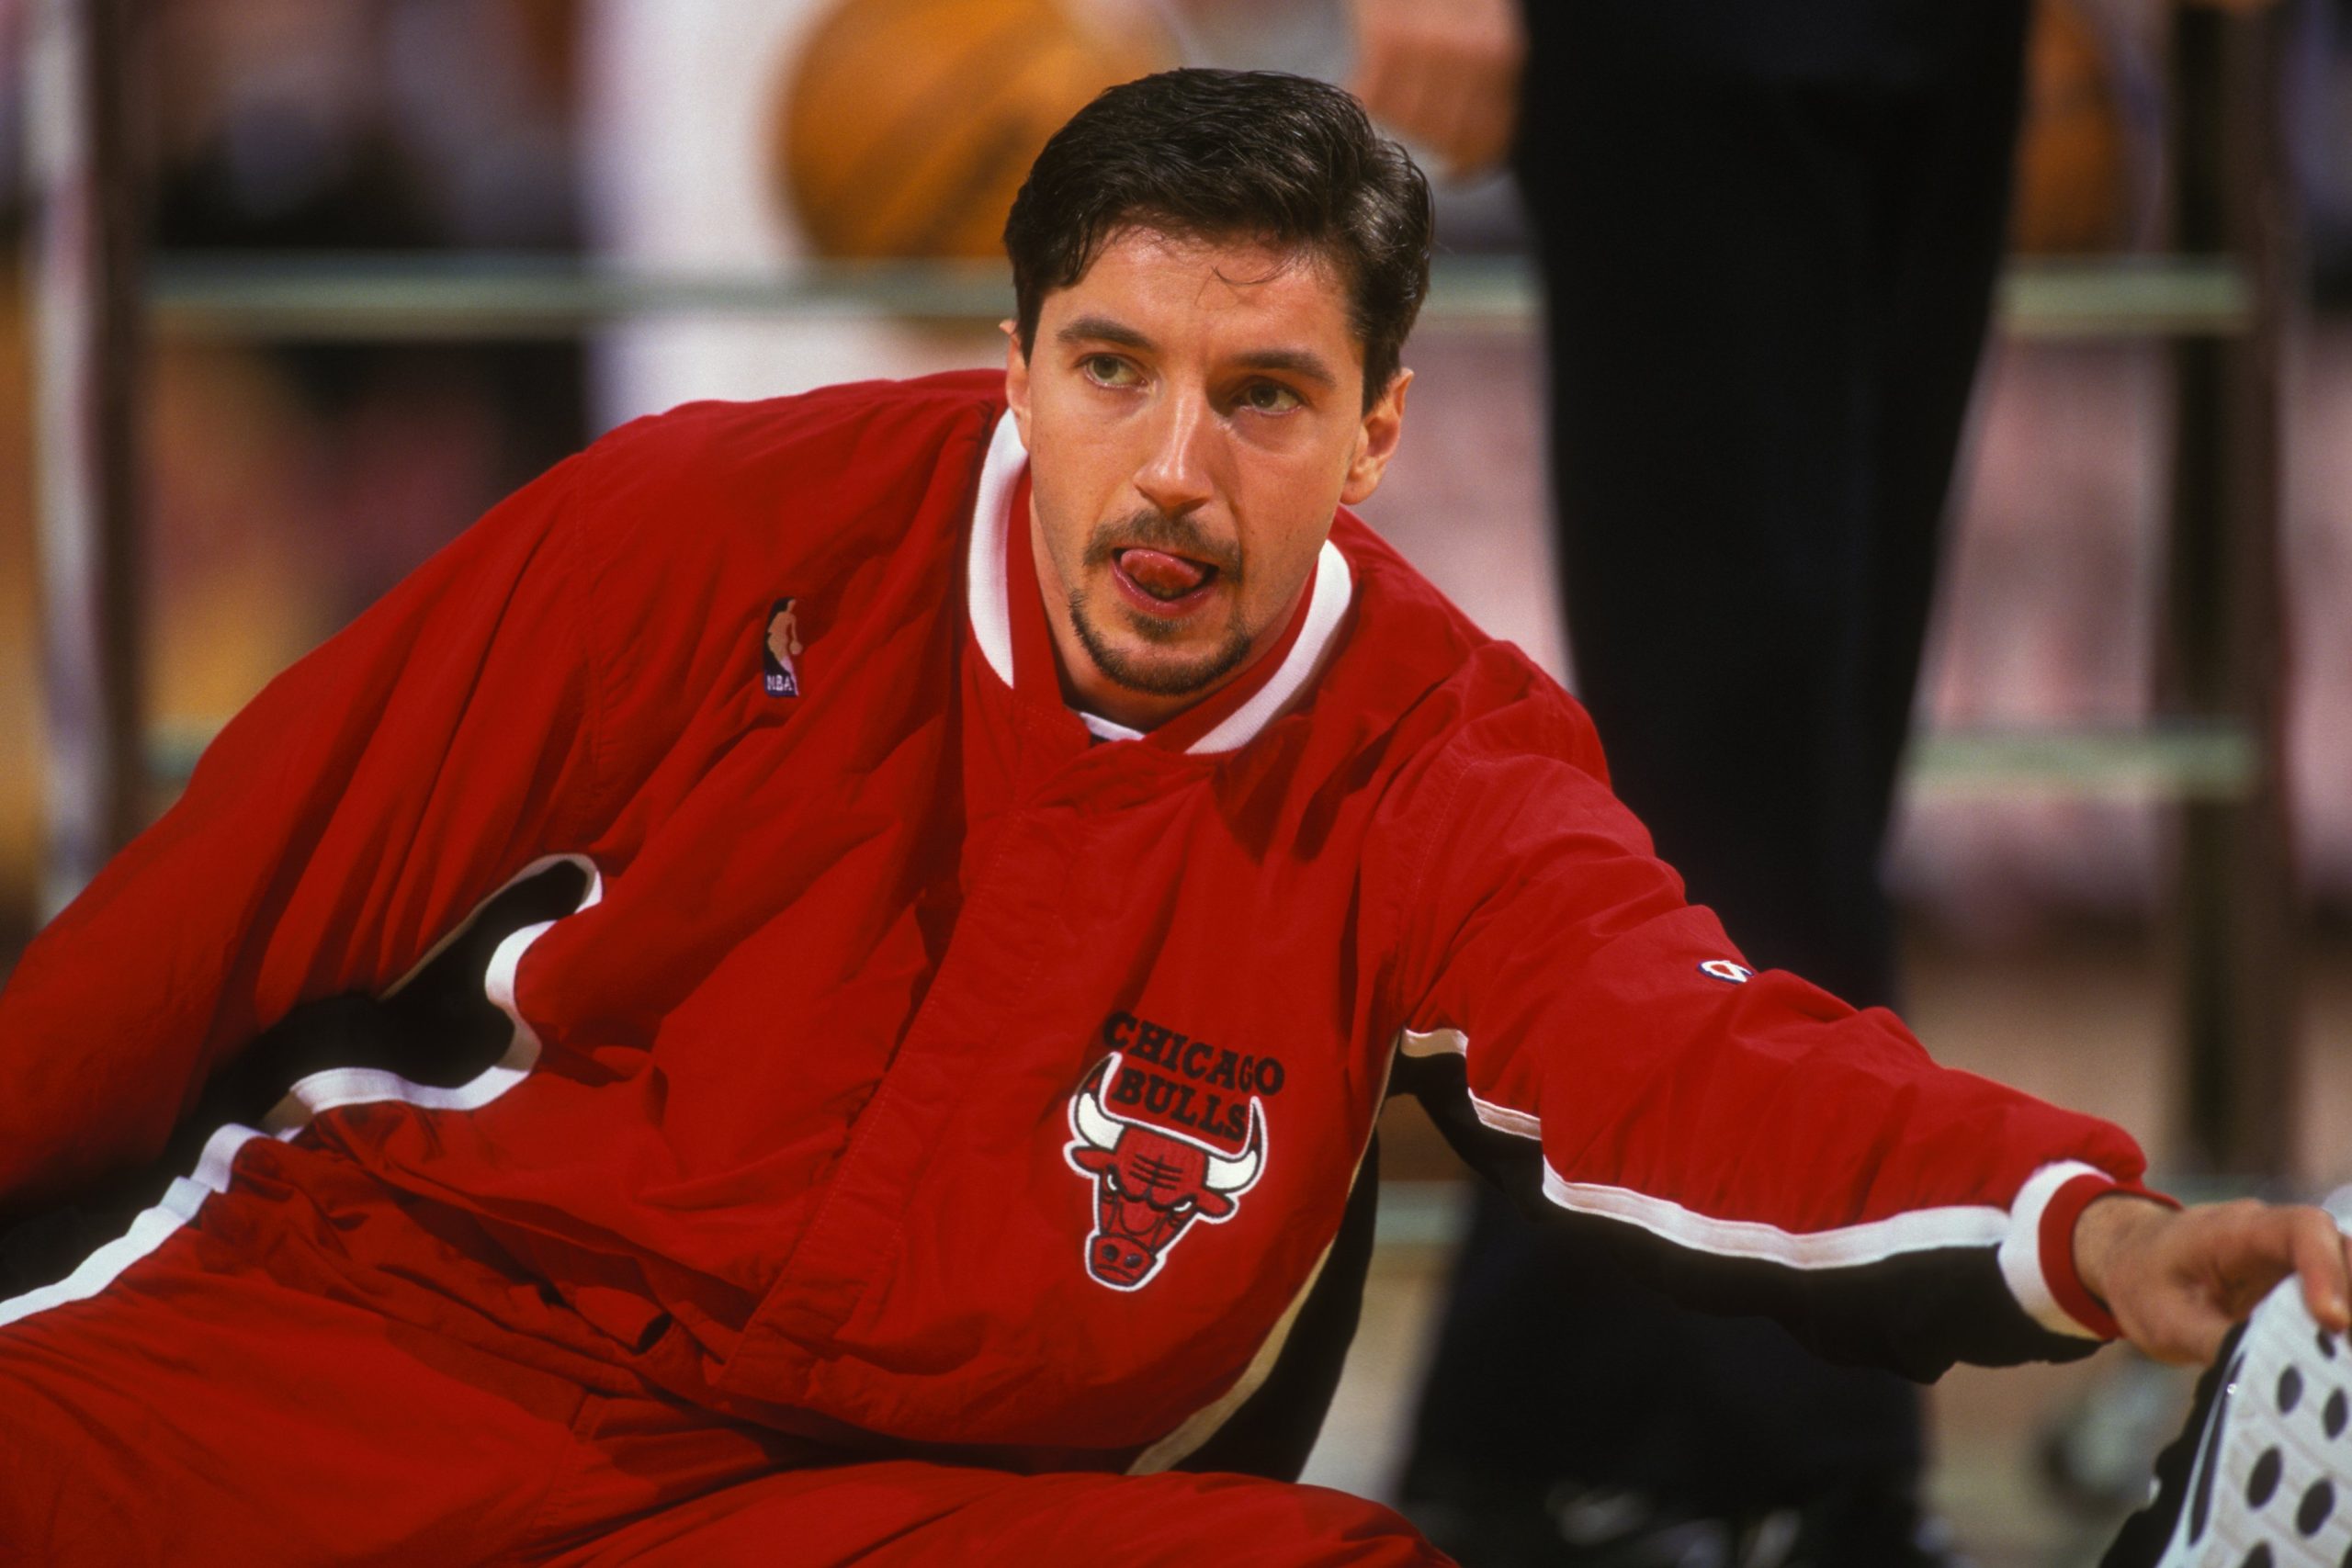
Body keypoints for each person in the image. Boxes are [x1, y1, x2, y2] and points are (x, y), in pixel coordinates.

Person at [0, 68, 2341, 1568]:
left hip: (882, 1511)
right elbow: (228, 900)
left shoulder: (1438, 753)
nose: (1174, 473)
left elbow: (1695, 1062)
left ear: (1380, 432)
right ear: (1015, 359)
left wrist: (2087, 1228)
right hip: (376, 1354)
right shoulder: (712, 533)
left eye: (1264, 397)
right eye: (1111, 371)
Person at [1348, 0, 2056, 1558]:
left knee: (1820, 750)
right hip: (1678, 40)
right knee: (1727, 722)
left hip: (1938, 41)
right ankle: (1790, 1458)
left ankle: (1541, 1424)